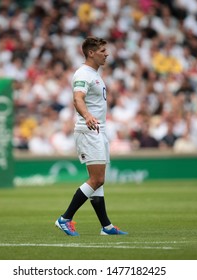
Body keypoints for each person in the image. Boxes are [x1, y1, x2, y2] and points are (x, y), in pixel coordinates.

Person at [55, 37, 128, 236]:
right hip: (89, 130)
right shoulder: (83, 74)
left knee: (98, 180)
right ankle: (65, 218)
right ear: (91, 53)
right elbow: (77, 98)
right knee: (97, 179)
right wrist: (87, 115)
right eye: (103, 50)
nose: (107, 54)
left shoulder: (94, 74)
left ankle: (107, 227)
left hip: (98, 130)